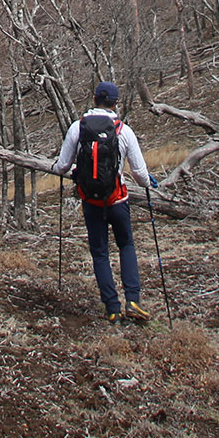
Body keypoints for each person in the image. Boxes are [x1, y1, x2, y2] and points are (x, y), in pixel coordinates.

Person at [51, 80, 155, 324]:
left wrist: (55, 167)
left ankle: (112, 308)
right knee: (126, 245)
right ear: (115, 103)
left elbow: (63, 166)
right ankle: (133, 300)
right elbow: (139, 173)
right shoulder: (124, 131)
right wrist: (149, 183)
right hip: (117, 199)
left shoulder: (78, 128)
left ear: (94, 98)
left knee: (100, 253)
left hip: (91, 201)